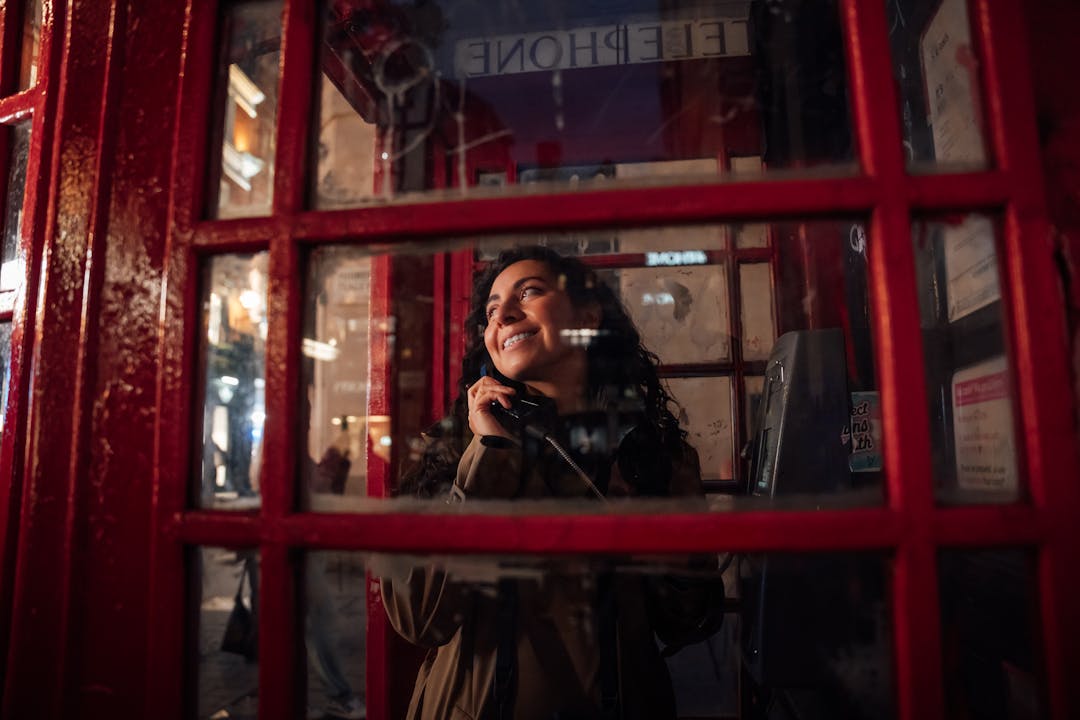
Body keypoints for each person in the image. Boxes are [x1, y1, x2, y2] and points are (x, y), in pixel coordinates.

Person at [381, 246, 724, 719]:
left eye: (530, 292)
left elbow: (688, 620)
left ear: (587, 313)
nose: (504, 314)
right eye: (492, 310)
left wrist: (659, 535)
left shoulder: (652, 454)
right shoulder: (451, 451)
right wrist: (489, 456)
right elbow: (418, 616)